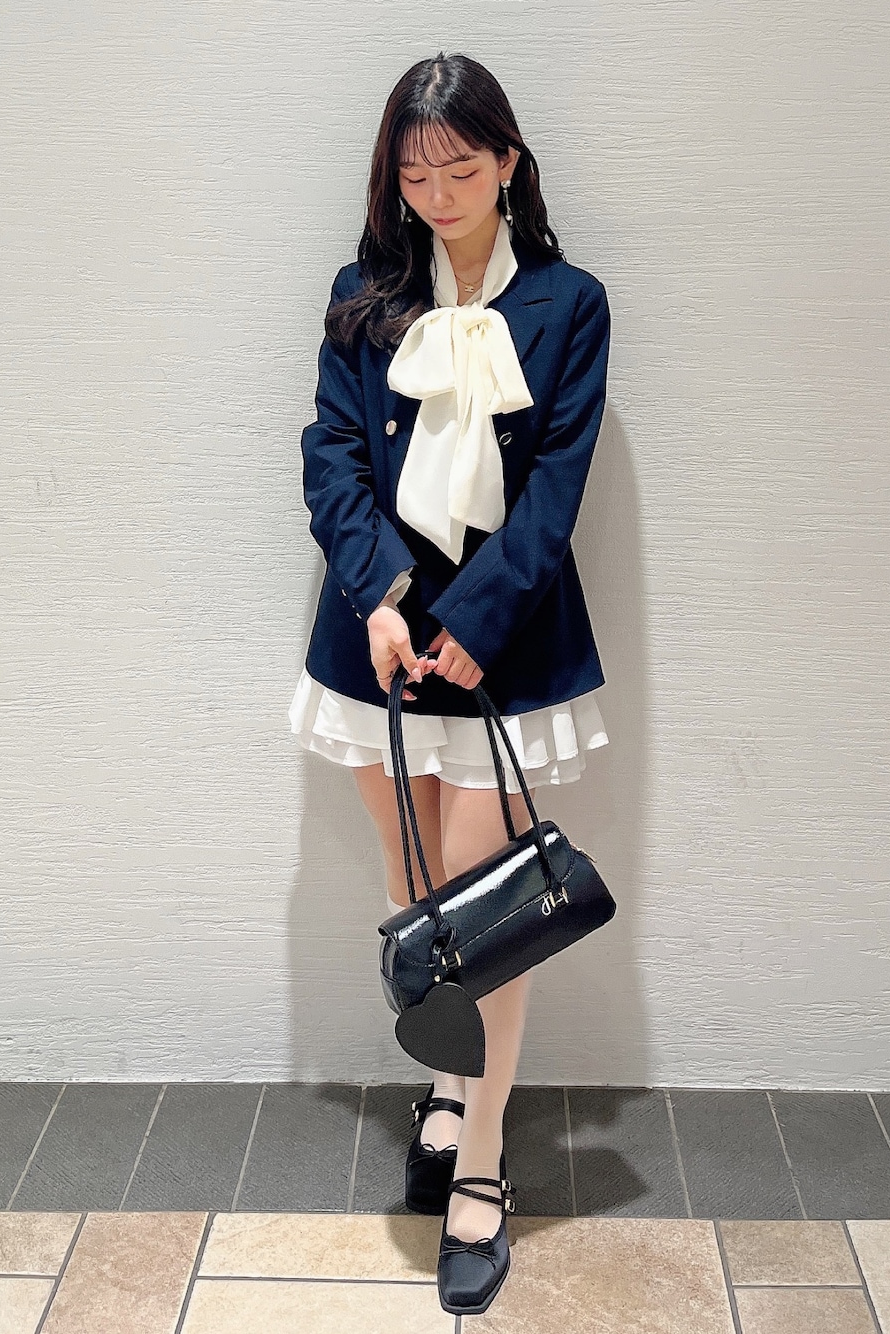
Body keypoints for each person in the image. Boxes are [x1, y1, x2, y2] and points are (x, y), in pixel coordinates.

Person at [288, 51, 612, 1316]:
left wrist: (476, 620)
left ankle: (479, 1160)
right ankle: (443, 1084)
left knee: (489, 917)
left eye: (460, 169)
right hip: (373, 641)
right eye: (414, 173)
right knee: (414, 889)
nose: (436, 193)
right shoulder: (362, 293)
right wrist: (378, 595)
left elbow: (556, 488)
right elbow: (329, 456)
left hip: (503, 645)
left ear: (507, 164)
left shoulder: (570, 303)